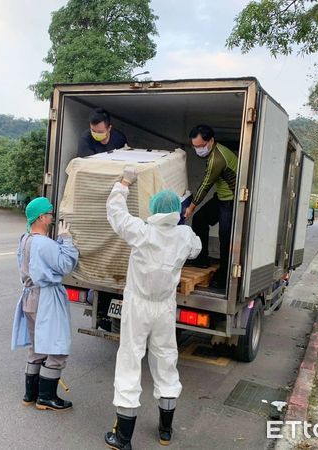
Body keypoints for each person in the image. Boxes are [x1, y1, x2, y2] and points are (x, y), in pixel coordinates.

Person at [104, 166, 202, 449]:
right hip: (164, 308)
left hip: (138, 305)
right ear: (175, 212)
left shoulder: (142, 232)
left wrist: (124, 182)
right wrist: (185, 220)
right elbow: (195, 248)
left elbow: (116, 213)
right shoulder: (184, 236)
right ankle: (165, 431)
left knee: (130, 360)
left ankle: (122, 438)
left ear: (154, 209)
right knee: (166, 360)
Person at [11, 197, 79, 411]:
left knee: (37, 346)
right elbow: (65, 264)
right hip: (46, 299)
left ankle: (30, 394)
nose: (52, 218)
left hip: (30, 298)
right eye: (50, 214)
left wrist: (57, 244)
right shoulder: (44, 243)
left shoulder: (26, 239)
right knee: (57, 347)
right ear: (41, 217)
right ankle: (47, 397)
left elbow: (45, 258)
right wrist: (67, 241)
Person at [184, 125, 238, 290]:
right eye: (195, 146)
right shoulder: (213, 152)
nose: (198, 150)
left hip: (231, 199)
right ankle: (201, 259)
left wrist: (190, 207)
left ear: (211, 141)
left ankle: (224, 276)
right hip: (221, 197)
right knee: (200, 219)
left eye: (201, 146)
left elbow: (205, 184)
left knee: (225, 238)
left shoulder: (217, 158)